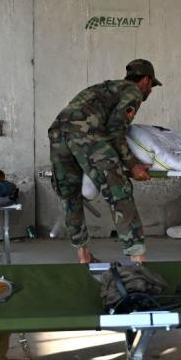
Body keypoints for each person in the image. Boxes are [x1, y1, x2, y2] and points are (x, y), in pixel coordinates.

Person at [48, 59, 160, 264]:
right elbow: (116, 128)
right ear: (146, 80)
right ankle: (138, 258)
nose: (150, 92)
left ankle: (83, 255)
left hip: (58, 133)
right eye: (151, 86)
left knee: (69, 194)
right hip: (86, 134)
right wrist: (132, 164)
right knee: (119, 192)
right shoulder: (133, 91)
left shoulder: (104, 87)